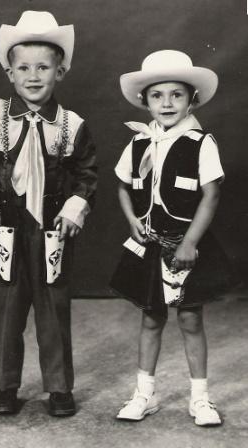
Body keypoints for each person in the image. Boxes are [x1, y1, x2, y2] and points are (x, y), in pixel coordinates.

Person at [0, 11, 97, 417]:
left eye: (44, 67)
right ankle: (5, 386)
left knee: (54, 309)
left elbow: (88, 174)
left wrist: (73, 209)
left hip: (52, 230)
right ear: (10, 73)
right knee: (9, 308)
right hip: (5, 226)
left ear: (60, 72)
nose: (34, 76)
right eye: (24, 68)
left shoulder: (71, 124)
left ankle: (59, 388)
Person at [110, 50, 234, 426]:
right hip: (150, 243)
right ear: (144, 100)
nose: (166, 103)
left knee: (191, 320)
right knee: (150, 320)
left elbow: (211, 195)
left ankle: (201, 400)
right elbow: (121, 186)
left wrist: (190, 242)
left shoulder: (200, 142)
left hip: (186, 243)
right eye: (157, 95)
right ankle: (144, 395)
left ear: (191, 99)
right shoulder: (138, 143)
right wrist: (132, 219)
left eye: (176, 95)